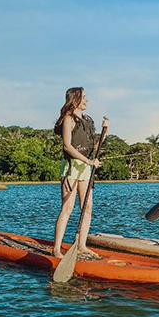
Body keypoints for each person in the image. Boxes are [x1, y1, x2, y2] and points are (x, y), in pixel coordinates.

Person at [53, 87, 109, 259]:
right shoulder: (69, 119)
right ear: (75, 99)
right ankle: (56, 249)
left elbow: (94, 147)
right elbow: (67, 146)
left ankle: (81, 246)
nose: (87, 100)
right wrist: (88, 161)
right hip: (72, 167)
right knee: (68, 208)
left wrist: (105, 131)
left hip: (85, 168)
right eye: (84, 97)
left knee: (87, 207)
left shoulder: (87, 120)